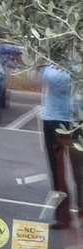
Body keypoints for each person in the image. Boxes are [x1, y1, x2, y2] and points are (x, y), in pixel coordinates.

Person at [40, 65, 82, 229]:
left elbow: (60, 81)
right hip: (51, 119)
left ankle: (81, 212)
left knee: (79, 171)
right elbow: (35, 77)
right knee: (57, 172)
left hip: (74, 121)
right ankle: (63, 217)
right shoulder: (50, 56)